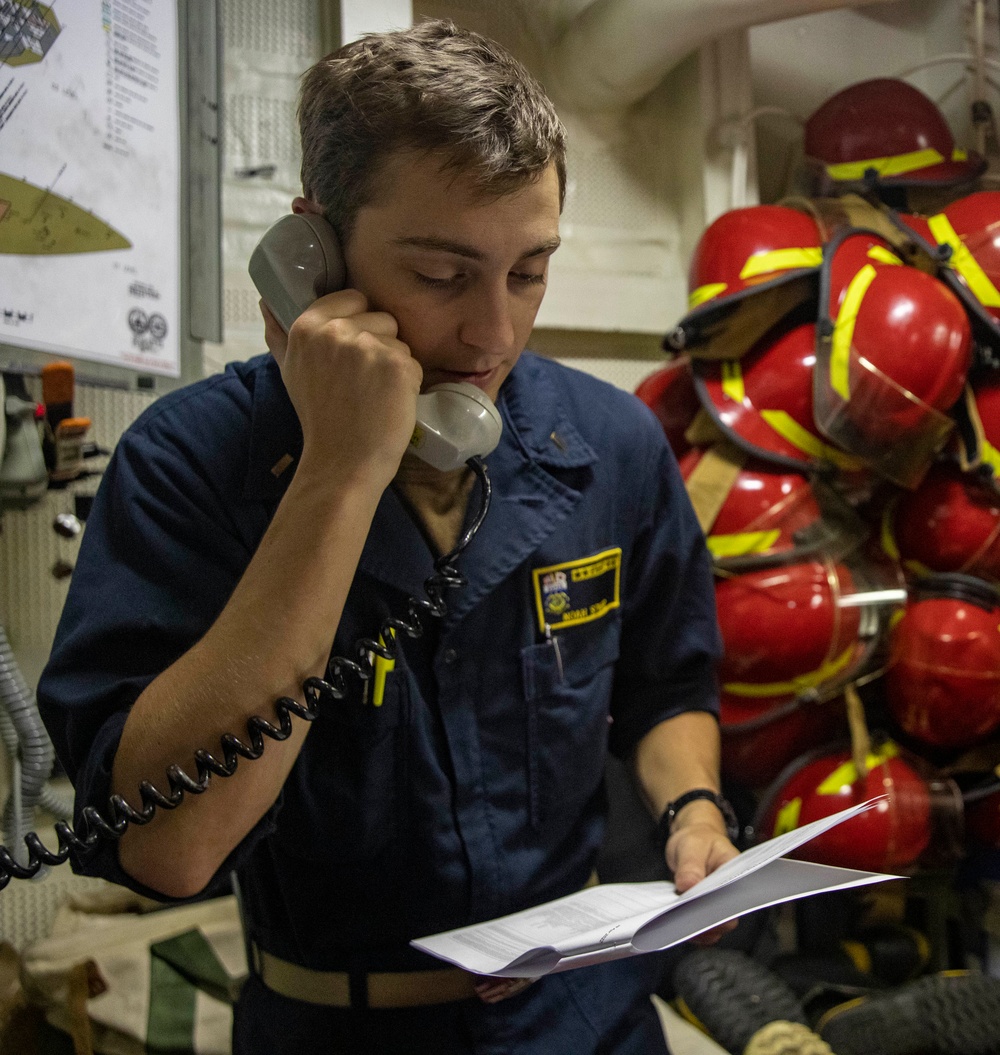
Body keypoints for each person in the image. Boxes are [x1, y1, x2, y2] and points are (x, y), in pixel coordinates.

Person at [37, 19, 738, 1055]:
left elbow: (666, 684)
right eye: (445, 275)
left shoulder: (610, 443)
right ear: (310, 255)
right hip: (336, 1025)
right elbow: (168, 844)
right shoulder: (190, 466)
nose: (493, 334)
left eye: (528, 271)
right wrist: (339, 472)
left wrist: (692, 808)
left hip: (584, 1019)